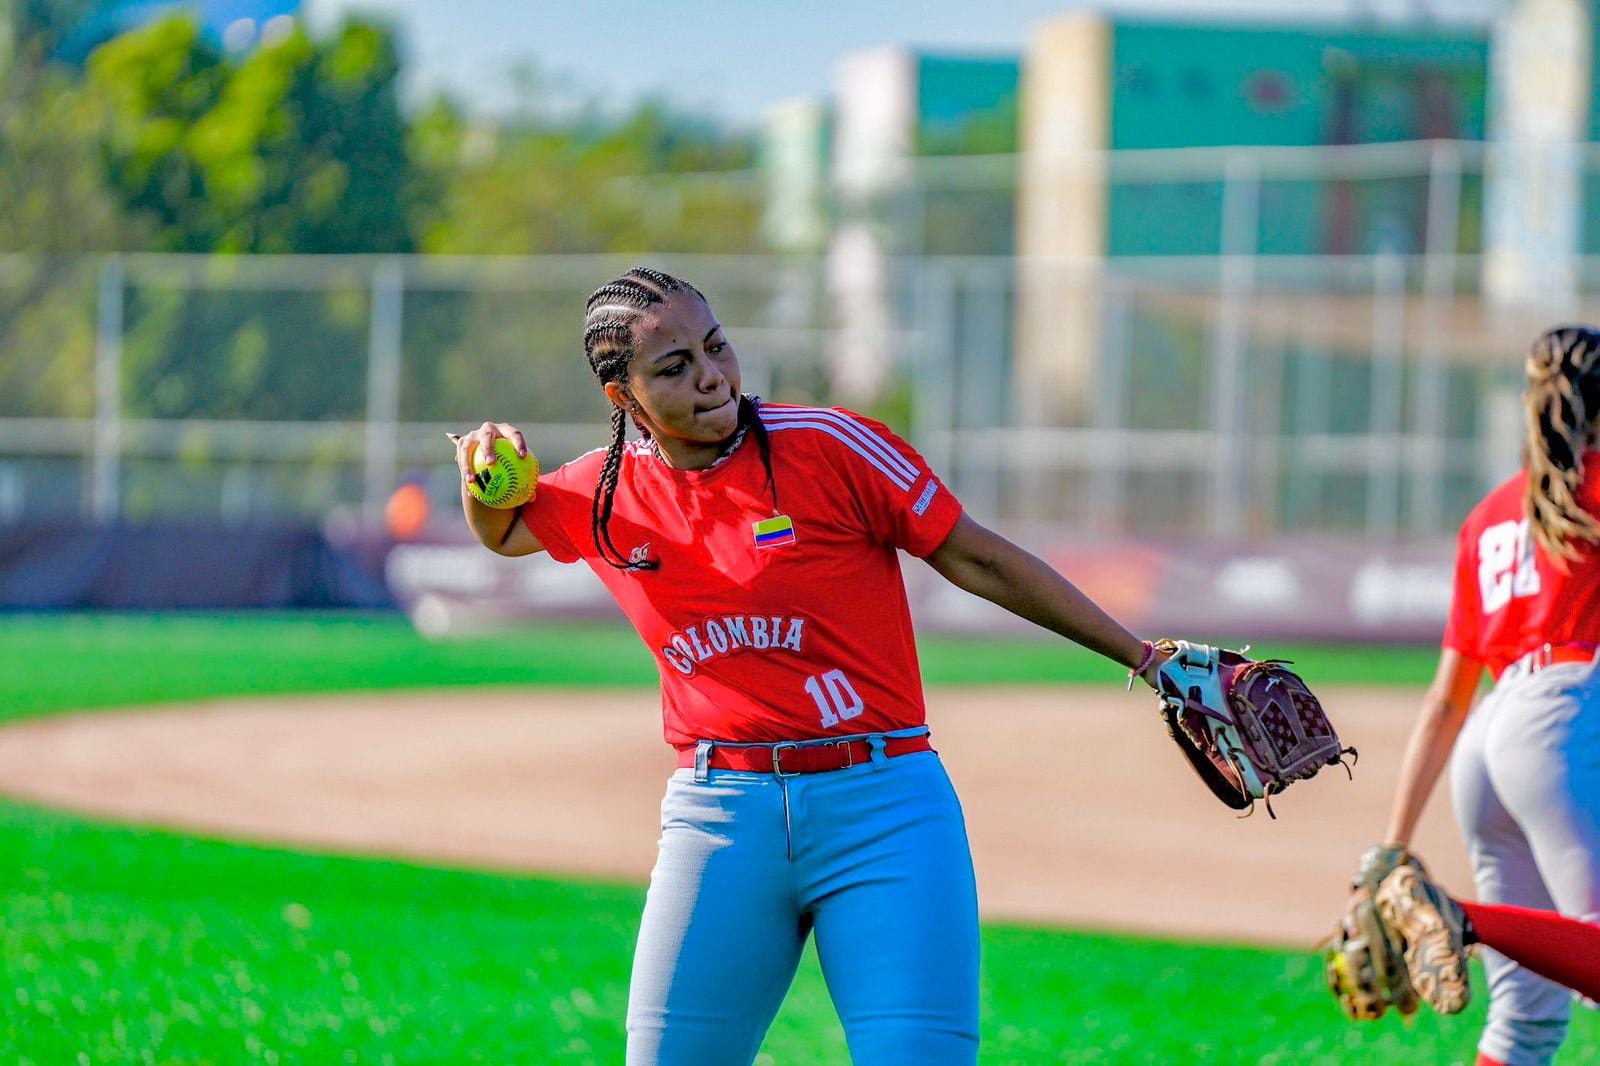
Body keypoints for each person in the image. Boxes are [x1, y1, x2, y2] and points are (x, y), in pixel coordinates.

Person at [454, 266, 1170, 1065]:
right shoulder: (605, 489)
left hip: (884, 809)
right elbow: (505, 530)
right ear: (624, 397)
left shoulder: (828, 445)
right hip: (719, 819)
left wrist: (1144, 658)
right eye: (675, 367)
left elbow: (976, 557)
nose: (712, 376)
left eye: (716, 346)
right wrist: (483, 477)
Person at [1372, 325, 1600, 1066]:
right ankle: (1461, 919)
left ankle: (1450, 915)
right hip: (1564, 718)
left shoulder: (1492, 515)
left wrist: (1394, 849)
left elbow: (1446, 701)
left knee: (1525, 1022)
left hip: (1489, 742)